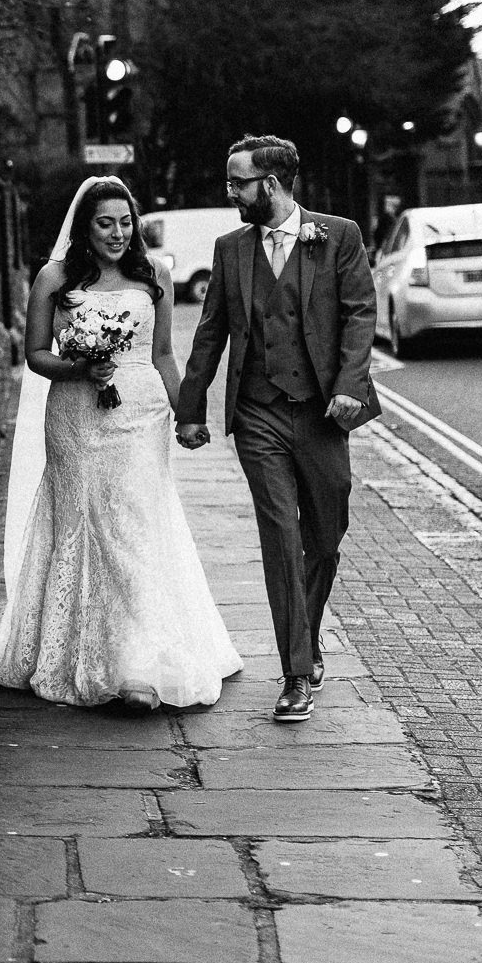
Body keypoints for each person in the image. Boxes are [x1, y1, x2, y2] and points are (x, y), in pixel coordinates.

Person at [0, 176, 242, 710]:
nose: (118, 233)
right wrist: (79, 366)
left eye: (126, 222)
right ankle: (84, 654)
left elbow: (164, 354)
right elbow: (35, 355)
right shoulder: (54, 279)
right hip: (76, 414)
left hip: (141, 414)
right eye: (105, 223)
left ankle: (139, 666)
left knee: (134, 524)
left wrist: (187, 414)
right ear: (84, 228)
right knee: (84, 519)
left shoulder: (157, 277)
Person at [175, 135, 379, 724]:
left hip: (323, 410)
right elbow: (211, 331)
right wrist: (191, 411)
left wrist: (348, 384)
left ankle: (306, 637)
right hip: (258, 411)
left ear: (271, 184)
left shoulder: (338, 235)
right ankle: (295, 674)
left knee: (326, 532)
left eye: (238, 182)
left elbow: (360, 312)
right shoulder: (230, 248)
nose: (230, 192)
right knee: (280, 535)